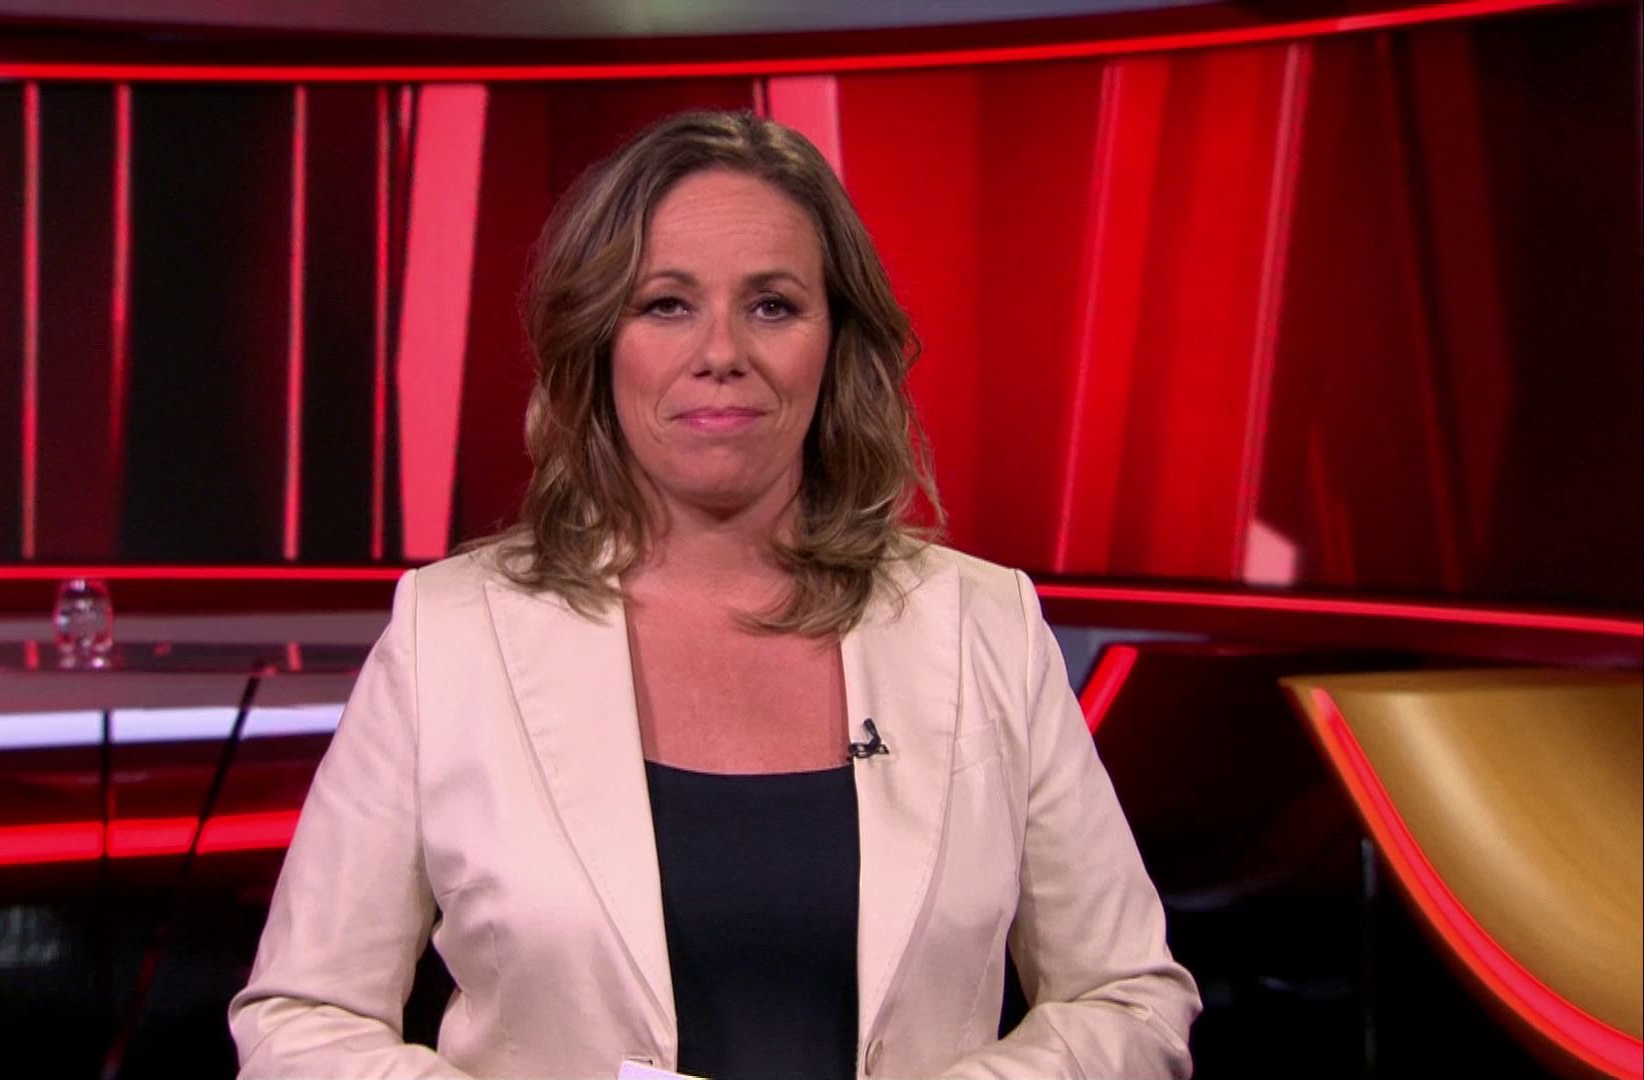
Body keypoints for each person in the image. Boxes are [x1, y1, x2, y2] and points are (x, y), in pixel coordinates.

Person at [228, 109, 1199, 1079]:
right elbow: (301, 1018)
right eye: (666, 304)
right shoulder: (451, 635)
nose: (721, 350)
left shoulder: (984, 625)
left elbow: (1129, 999)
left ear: (837, 340)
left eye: (772, 305)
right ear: (599, 341)